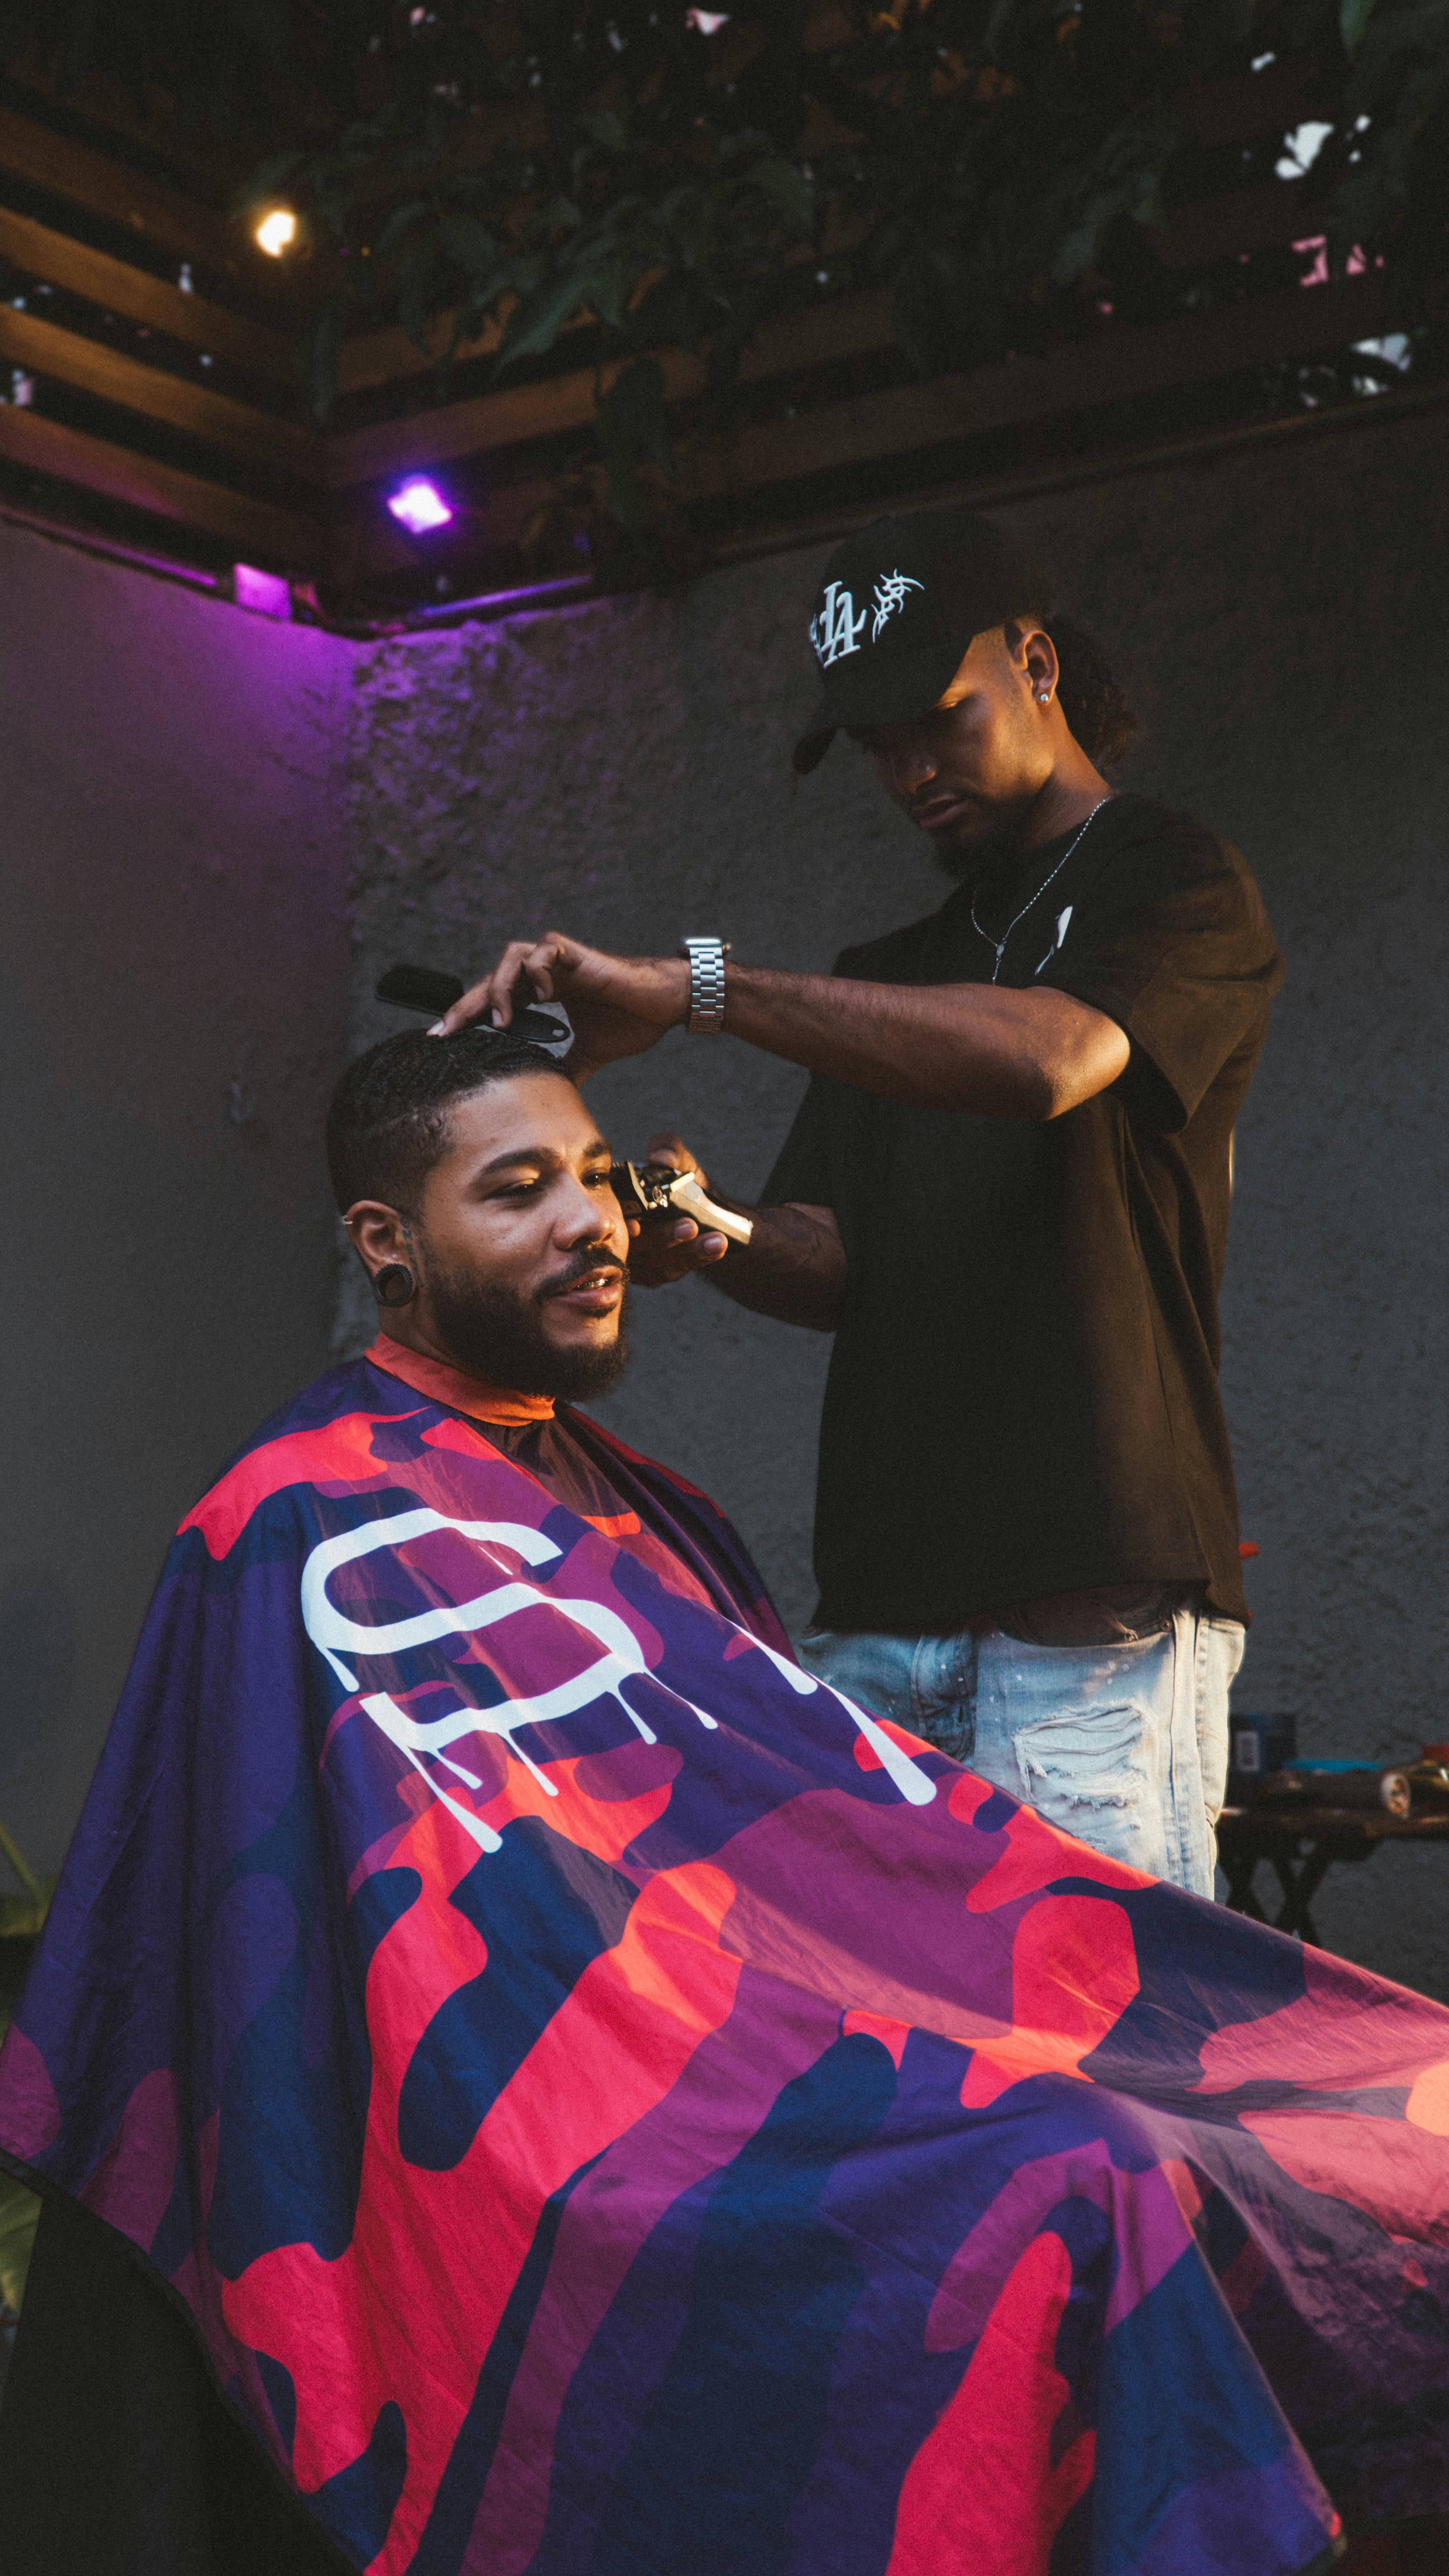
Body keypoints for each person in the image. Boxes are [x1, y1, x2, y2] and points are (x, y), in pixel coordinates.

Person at [2, 1025, 1447, 2576]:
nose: (592, 1221)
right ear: (388, 1244)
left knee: (1394, 2092)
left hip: (793, 2014)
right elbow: (265, 1942)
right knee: (1088, 2173)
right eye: (519, 1190)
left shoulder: (643, 1501)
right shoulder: (291, 1519)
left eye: (594, 1177)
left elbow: (824, 1836)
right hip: (572, 2100)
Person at [436, 506, 1285, 1901]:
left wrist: (701, 988)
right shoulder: (891, 969)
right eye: (876, 747)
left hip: (1090, 1615)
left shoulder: (1173, 879)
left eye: (935, 720)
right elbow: (834, 1258)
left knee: (1107, 2080)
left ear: (1036, 662)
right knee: (900, 2078)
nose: (908, 772)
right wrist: (698, 1225)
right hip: (882, 1618)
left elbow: (1052, 1058)